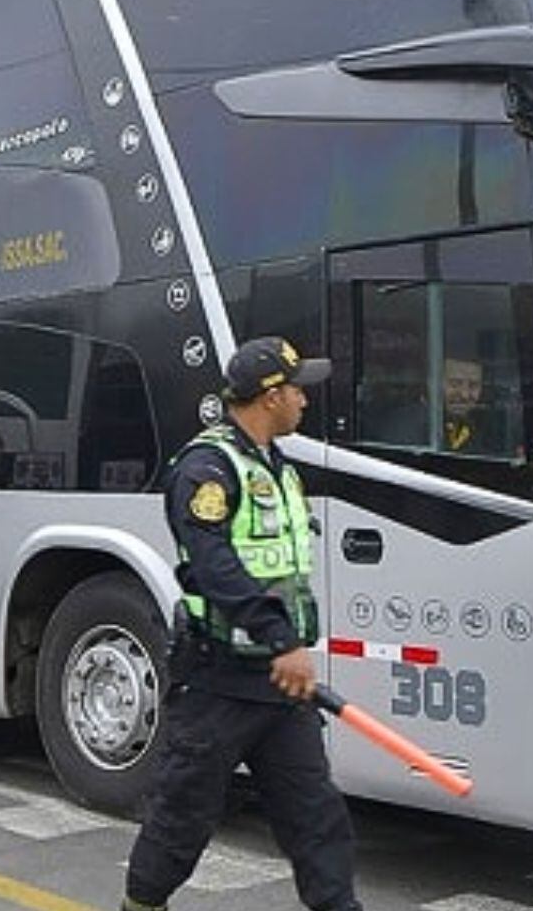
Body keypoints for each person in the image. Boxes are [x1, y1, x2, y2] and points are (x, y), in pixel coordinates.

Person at [122, 336, 361, 911]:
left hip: (280, 690)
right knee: (182, 817)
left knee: (318, 819)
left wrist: (286, 647)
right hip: (217, 684)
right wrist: (280, 637)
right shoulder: (207, 469)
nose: (306, 400)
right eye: (298, 389)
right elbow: (213, 565)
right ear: (271, 397)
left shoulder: (275, 467)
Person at [440, 356, 510, 458]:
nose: (465, 395)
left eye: (473, 385)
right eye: (455, 384)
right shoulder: (413, 430)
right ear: (435, 382)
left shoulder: (492, 430)